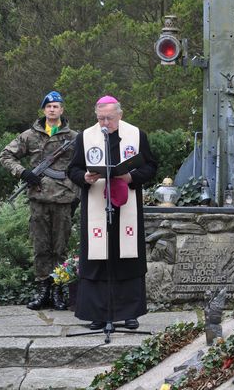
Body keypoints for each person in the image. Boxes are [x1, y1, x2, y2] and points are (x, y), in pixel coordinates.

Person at [68, 95, 157, 330]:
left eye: (109, 118)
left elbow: (150, 166)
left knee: (127, 257)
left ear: (120, 114)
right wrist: (84, 178)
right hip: (97, 203)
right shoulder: (86, 137)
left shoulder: (136, 135)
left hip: (126, 204)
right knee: (98, 258)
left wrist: (132, 177)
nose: (104, 123)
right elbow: (73, 169)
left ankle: (129, 313)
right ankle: (98, 314)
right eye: (100, 118)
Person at [0, 91, 78, 311]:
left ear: (62, 110)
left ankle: (59, 290)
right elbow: (6, 155)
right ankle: (44, 290)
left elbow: (83, 165)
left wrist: (78, 189)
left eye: (56, 106)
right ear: (43, 110)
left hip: (63, 199)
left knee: (60, 248)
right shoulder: (29, 136)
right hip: (38, 198)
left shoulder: (74, 137)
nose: (52, 110)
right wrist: (23, 172)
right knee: (41, 247)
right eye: (49, 106)